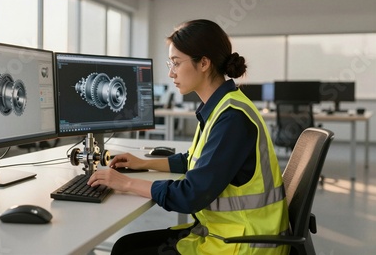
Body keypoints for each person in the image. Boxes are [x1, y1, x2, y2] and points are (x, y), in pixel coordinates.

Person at [87, 19, 289, 255]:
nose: (171, 72)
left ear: (204, 63)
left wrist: (126, 183)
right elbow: (195, 161)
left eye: (176, 63)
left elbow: (191, 196)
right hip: (226, 231)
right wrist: (143, 163)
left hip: (244, 244)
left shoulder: (232, 118)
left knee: (127, 250)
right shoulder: (221, 107)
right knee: (127, 246)